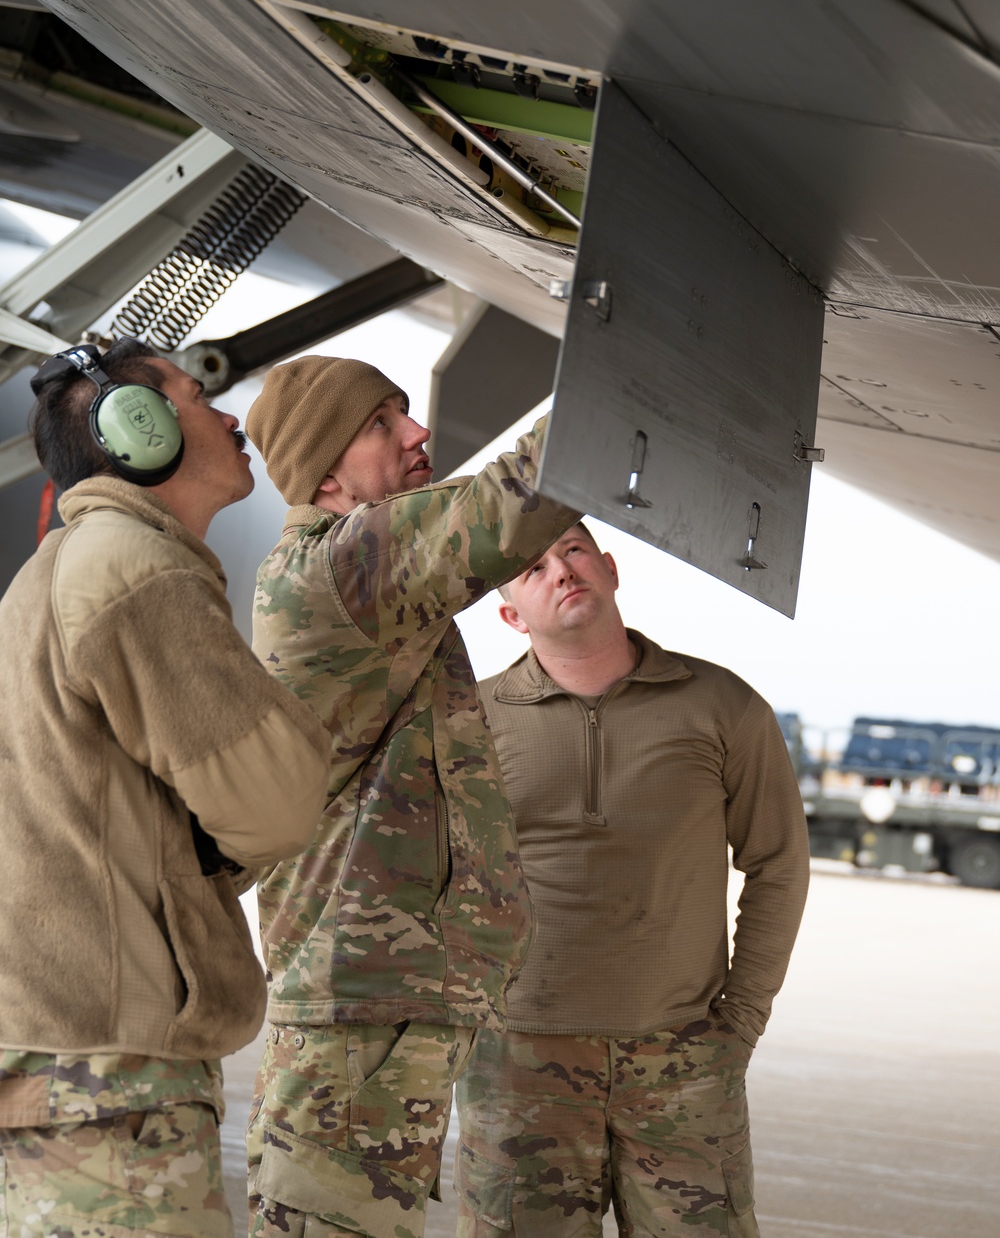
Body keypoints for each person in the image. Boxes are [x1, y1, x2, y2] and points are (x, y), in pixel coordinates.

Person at [0, 339, 331, 1238]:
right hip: (114, 1082)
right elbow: (278, 799)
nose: (230, 416)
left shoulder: (57, 573)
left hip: (67, 1066)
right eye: (197, 395)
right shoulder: (134, 569)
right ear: (136, 431)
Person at [243, 356, 579, 1238]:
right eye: (382, 424)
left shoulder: (368, 581)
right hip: (358, 1007)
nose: (419, 433)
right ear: (323, 470)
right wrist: (631, 368)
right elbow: (505, 509)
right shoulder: (338, 571)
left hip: (381, 1003)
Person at [454, 523, 811, 1238]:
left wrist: (738, 1023)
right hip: (520, 1067)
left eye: (573, 550)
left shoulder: (724, 707)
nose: (560, 569)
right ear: (510, 617)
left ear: (611, 569)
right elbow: (435, 881)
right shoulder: (469, 720)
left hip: (682, 1062)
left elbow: (778, 864)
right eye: (532, 568)